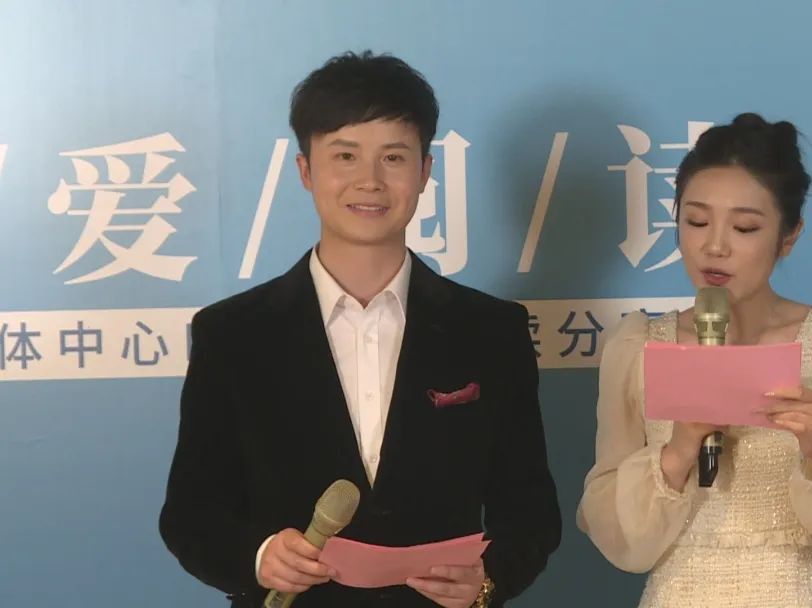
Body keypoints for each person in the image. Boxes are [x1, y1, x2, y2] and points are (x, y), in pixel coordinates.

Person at [159, 50, 561, 608]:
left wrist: (488, 582)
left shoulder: (491, 331)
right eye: (345, 156)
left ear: (424, 172)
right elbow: (190, 513)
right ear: (306, 171)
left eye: (393, 157)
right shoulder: (233, 334)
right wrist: (259, 556)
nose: (369, 181)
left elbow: (531, 513)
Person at [576, 112, 812, 607]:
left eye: (745, 227)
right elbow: (614, 531)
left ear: (789, 235)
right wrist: (678, 451)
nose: (714, 246)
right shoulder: (640, 347)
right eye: (696, 221)